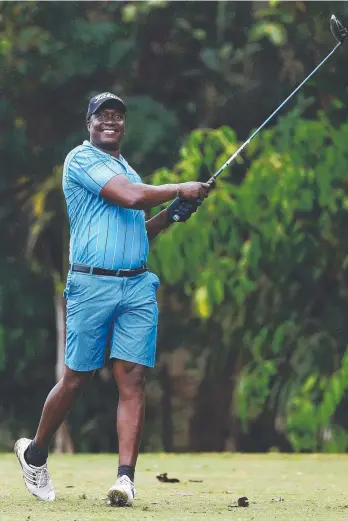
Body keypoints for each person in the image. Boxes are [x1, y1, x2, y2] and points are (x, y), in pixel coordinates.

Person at [14, 92, 212, 506]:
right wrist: (180, 186)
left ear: (124, 125)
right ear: (89, 123)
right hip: (91, 285)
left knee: (133, 378)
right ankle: (34, 453)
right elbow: (130, 197)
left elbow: (139, 229)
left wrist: (176, 211)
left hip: (137, 286)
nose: (111, 121)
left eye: (118, 116)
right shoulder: (81, 160)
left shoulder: (127, 169)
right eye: (102, 115)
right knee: (77, 378)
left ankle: (125, 479)